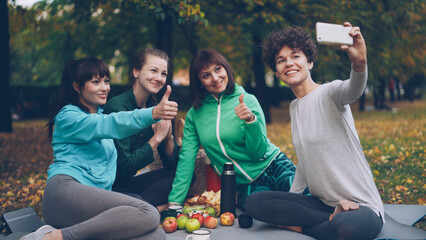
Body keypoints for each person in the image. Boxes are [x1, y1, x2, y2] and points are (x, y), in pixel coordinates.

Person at [245, 23, 384, 240]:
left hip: (361, 207)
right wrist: (290, 202)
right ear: (277, 72)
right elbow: (304, 160)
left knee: (347, 228)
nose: (288, 63)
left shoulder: (330, 93)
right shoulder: (294, 107)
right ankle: (326, 221)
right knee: (254, 202)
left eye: (295, 56)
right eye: (281, 61)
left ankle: (308, 228)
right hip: (322, 205)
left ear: (309, 62)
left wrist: (359, 63)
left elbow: (353, 89)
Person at [21, 57, 178, 240]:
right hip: (64, 193)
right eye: (96, 82)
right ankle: (52, 237)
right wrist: (152, 113)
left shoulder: (100, 115)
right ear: (77, 87)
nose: (104, 88)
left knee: (155, 235)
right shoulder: (69, 117)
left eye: (106, 81)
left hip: (93, 200)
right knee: (148, 213)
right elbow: (110, 123)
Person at [168, 49, 302, 211]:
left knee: (305, 198)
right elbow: (186, 160)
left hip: (274, 165)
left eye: (218, 69)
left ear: (226, 69)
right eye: (206, 75)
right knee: (260, 209)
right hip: (245, 183)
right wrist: (174, 202)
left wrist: (250, 121)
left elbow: (258, 153)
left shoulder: (247, 100)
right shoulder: (194, 115)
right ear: (199, 82)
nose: (215, 78)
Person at [103, 48, 182, 211]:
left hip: (129, 185)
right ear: (136, 71)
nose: (159, 78)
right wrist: (156, 139)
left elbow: (171, 164)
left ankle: (145, 208)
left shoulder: (155, 108)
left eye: (164, 74)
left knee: (183, 176)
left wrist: (167, 137)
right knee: (138, 202)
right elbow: (122, 170)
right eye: (153, 71)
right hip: (109, 188)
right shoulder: (118, 108)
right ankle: (152, 209)